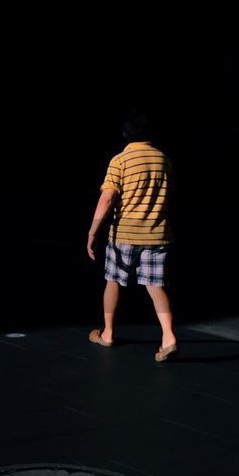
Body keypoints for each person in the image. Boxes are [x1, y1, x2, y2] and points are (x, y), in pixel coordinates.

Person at [86, 110, 178, 361]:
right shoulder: (164, 160)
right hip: (157, 234)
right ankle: (169, 337)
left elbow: (107, 197)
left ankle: (108, 334)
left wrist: (93, 230)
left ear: (126, 134)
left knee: (113, 281)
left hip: (125, 233)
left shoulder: (120, 160)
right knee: (155, 286)